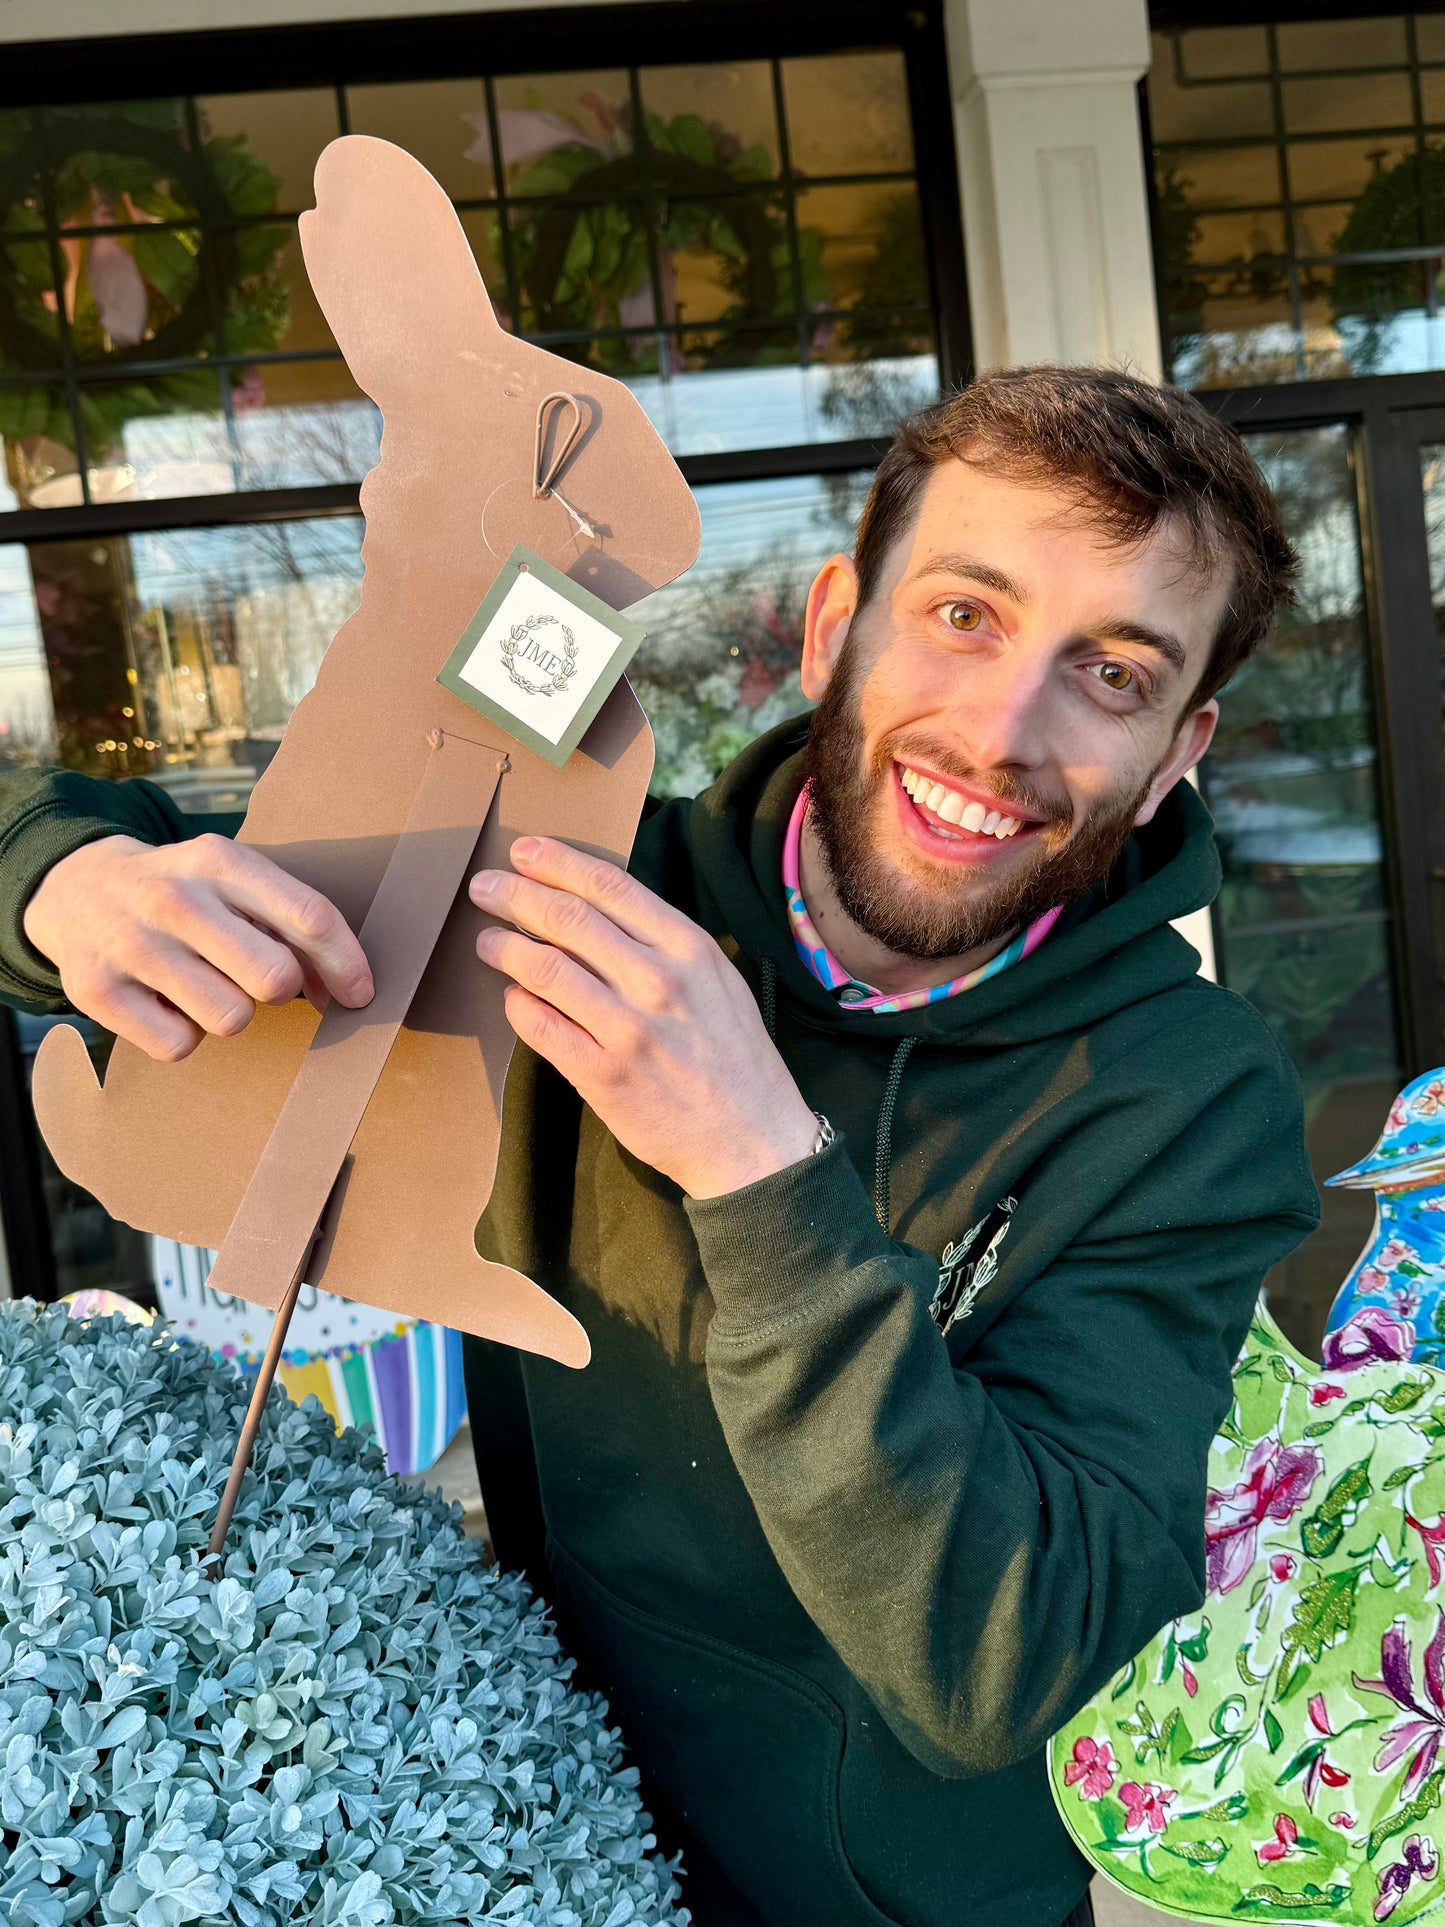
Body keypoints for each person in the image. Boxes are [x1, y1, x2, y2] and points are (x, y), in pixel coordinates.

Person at [0, 366, 1320, 1927]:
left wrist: (762, 1169)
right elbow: (156, 861)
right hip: (506, 1839)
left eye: (1109, 673)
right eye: (962, 614)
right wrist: (65, 880)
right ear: (836, 624)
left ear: (1177, 748)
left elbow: (1004, 1660)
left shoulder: (1189, 1096)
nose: (998, 729)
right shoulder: (573, 872)